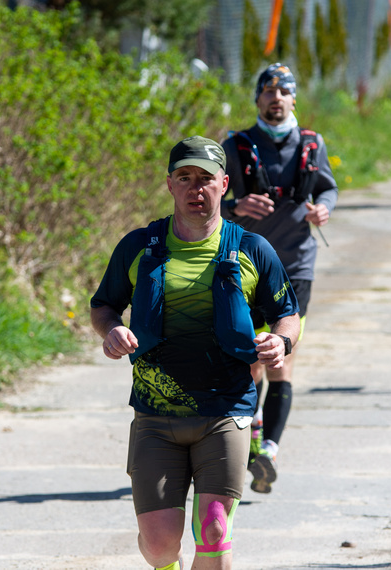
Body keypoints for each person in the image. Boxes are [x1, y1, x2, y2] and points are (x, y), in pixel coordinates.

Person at [90, 135, 300, 570]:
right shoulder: (139, 246)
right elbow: (103, 305)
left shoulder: (252, 249)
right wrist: (111, 330)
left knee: (215, 530)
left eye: (205, 179)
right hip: (155, 417)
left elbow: (287, 313)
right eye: (184, 178)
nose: (195, 189)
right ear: (169, 185)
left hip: (226, 411)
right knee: (160, 545)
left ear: (225, 184)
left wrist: (279, 342)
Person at [220, 63, 338, 494]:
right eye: (267, 92)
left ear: (293, 99)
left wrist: (324, 208)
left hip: (296, 267)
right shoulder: (234, 144)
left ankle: (268, 449)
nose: (275, 99)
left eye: (283, 92)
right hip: (247, 267)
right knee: (250, 361)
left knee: (281, 358)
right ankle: (251, 443)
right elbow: (209, 194)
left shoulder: (312, 143)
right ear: (256, 100)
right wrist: (235, 208)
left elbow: (327, 188)